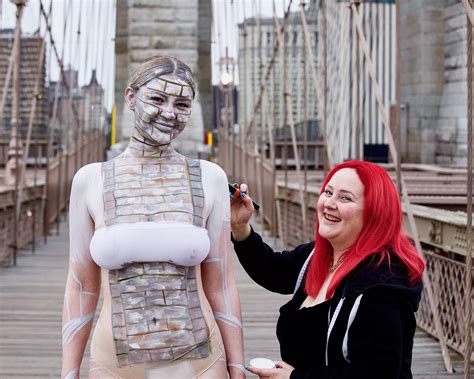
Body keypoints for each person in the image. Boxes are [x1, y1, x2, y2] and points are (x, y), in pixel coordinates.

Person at [61, 56, 245, 379]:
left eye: (182, 104)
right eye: (157, 99)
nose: (170, 113)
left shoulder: (209, 177)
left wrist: (238, 367)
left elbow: (222, 285)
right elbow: (80, 285)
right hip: (113, 366)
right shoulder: (90, 180)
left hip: (201, 364)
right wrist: (68, 372)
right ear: (131, 98)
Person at [230, 160, 425, 379]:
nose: (329, 203)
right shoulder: (319, 255)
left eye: (345, 198)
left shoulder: (381, 284)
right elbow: (272, 270)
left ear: (374, 212)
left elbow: (375, 373)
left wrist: (295, 378)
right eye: (328, 192)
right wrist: (240, 227)